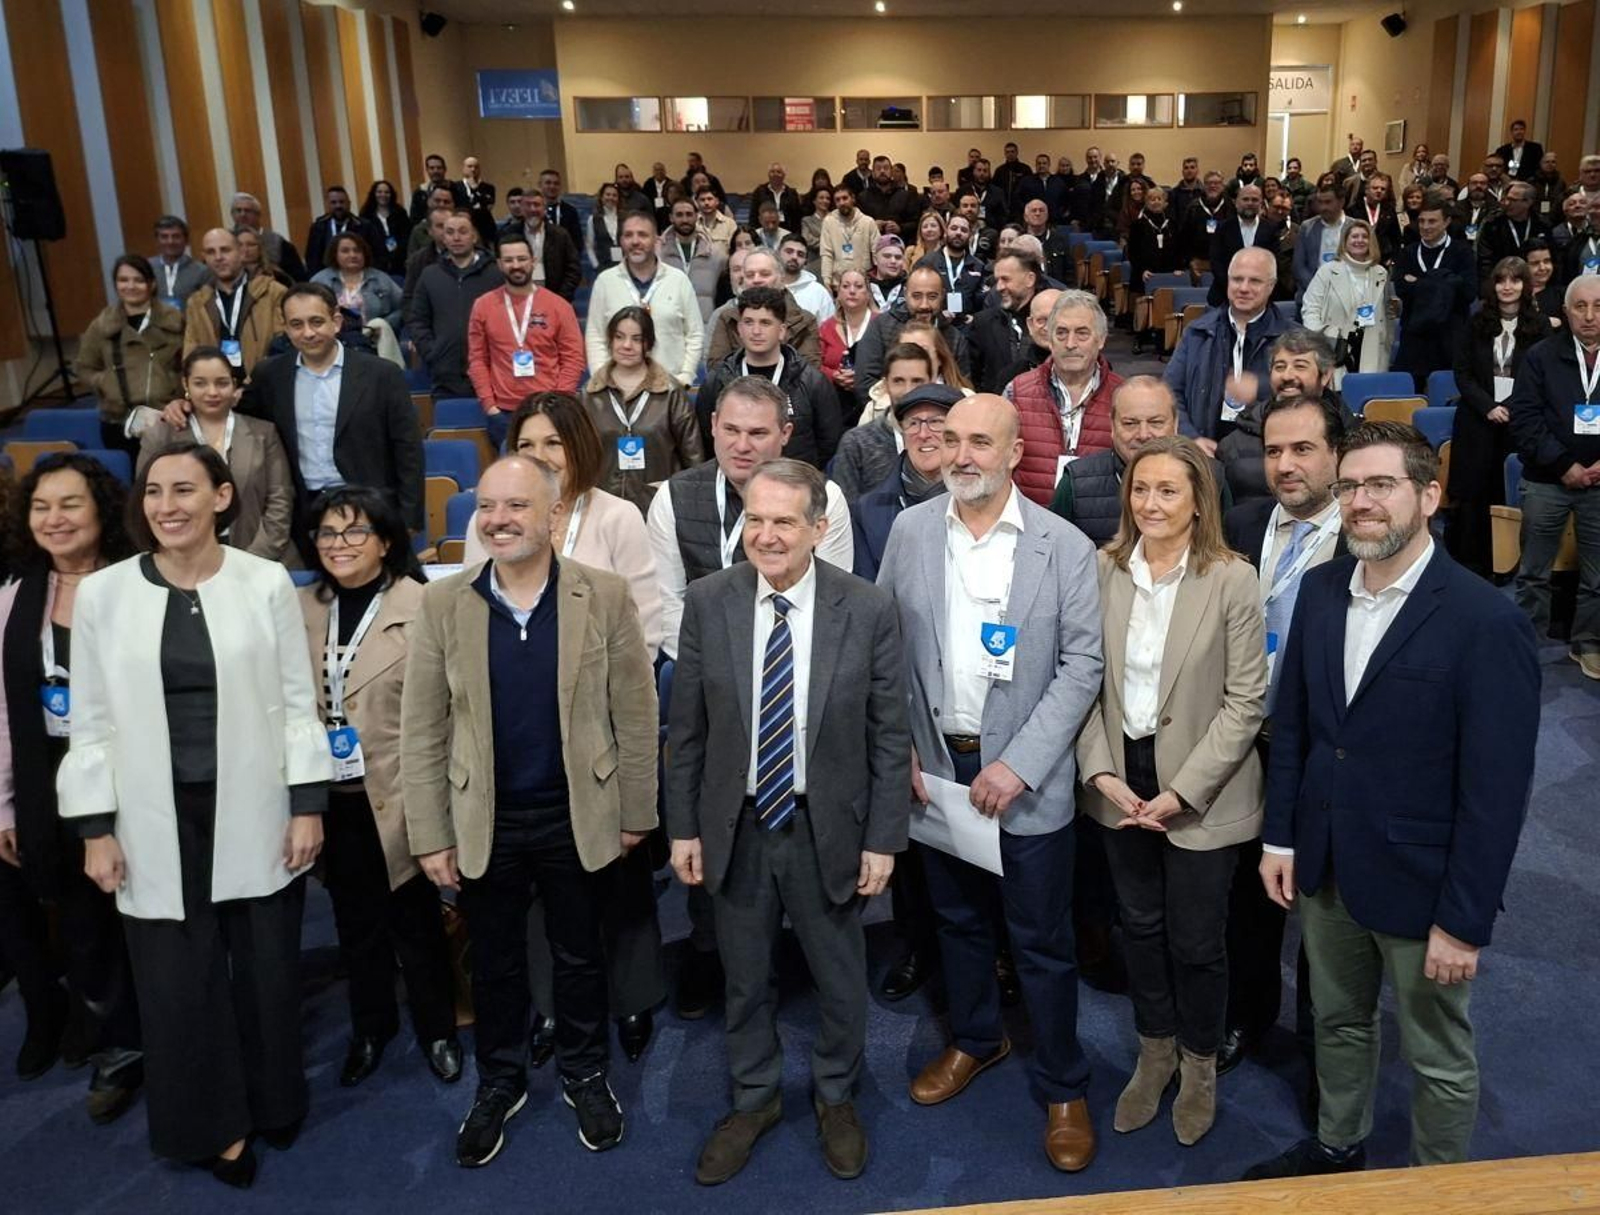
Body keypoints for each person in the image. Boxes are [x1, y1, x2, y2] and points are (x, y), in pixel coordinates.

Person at [1246, 421, 1540, 1179]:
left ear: (1430, 495)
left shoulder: (1486, 620)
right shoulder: (1318, 591)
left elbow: (1496, 792)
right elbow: (1300, 729)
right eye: (1349, 487)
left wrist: (1464, 921)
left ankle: (1439, 1186)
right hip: (1326, 864)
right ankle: (1338, 1145)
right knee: (1335, 1022)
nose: (1361, 503)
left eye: (1381, 485)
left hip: (1424, 886)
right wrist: (1282, 839)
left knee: (1436, 1050)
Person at [59, 443, 332, 1187]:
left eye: (184, 489)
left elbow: (297, 702)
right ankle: (214, 1124)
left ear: (220, 496)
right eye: (153, 491)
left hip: (256, 805)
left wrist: (307, 804)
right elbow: (88, 720)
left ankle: (275, 1095)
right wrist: (95, 826)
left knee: (269, 969)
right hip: (151, 817)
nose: (166, 505)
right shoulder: (105, 594)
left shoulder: (265, 581)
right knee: (180, 983)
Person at [401, 455, 656, 1166]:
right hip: (485, 819)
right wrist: (429, 832)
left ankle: (584, 1072)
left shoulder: (601, 595)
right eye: (487, 506)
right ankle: (501, 1079)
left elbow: (635, 711)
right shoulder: (443, 603)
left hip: (580, 812)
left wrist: (636, 808)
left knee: (579, 955)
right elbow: (421, 728)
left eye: (516, 505)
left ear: (552, 515)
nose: (498, 520)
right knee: (498, 963)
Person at [877, 393, 1103, 1173]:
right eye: (949, 440)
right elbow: (887, 648)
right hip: (937, 771)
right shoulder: (910, 531)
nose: (960, 454)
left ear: (1015, 452)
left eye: (980, 441)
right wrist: (900, 746)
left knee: (1041, 941)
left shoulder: (1064, 545)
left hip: (1025, 778)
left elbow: (1083, 665)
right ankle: (977, 1037)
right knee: (958, 922)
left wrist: (1021, 762)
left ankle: (1065, 1082)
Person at [666, 458, 908, 1185]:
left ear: (817, 528)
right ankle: (754, 1097)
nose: (767, 536)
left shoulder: (864, 607)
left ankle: (836, 1094)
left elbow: (889, 734)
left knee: (839, 978)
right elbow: (688, 732)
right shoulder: (708, 600)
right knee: (745, 979)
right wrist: (682, 828)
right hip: (734, 826)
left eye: (783, 521)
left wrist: (883, 838)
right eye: (756, 520)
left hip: (825, 825)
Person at [1076, 436, 1266, 1146]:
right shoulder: (1100, 568)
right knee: (1140, 928)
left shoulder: (1230, 578)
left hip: (1202, 787)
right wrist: (1099, 771)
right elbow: (1081, 680)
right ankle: (1154, 1048)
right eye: (1141, 489)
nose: (1150, 503)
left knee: (1195, 938)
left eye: (1168, 491)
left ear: (1198, 502)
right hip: (1119, 780)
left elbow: (1246, 701)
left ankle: (1199, 1061)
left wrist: (1183, 791)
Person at [297, 487, 460, 1088]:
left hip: (400, 793)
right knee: (353, 921)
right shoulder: (300, 607)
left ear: (386, 541)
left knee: (415, 922)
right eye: (326, 534)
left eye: (354, 532)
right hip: (331, 798)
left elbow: (449, 713)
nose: (339, 545)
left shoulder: (425, 605)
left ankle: (438, 1027)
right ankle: (371, 1026)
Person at [0, 455, 143, 1121]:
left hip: (139, 773)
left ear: (101, 509)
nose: (54, 519)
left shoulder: (138, 583)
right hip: (50, 782)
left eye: (70, 504)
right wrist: (4, 801)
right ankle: (117, 1045)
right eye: (41, 507)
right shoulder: (11, 597)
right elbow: (4, 711)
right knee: (85, 922)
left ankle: (171, 1029)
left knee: (151, 912)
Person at [1219, 393, 1346, 1081]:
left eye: (1302, 449)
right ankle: (1249, 1011)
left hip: (1325, 751)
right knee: (1247, 895)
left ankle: (1325, 1051)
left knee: (1321, 906)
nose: (1286, 464)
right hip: (1245, 740)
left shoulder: (1361, 540)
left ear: (1337, 455)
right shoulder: (1242, 520)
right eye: (1273, 450)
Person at [171, 285, 423, 547]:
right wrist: (183, 404)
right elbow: (227, 411)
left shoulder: (381, 374)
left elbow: (408, 449)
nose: (308, 333)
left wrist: (409, 517)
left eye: (316, 322)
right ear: (286, 328)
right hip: (303, 510)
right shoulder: (270, 375)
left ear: (336, 321)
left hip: (370, 503)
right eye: (297, 324)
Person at [1508, 275, 1600, 675]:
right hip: (1547, 481)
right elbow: (1525, 420)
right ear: (1565, 312)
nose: (1590, 316)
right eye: (1580, 306)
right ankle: (1525, 642)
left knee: (1598, 577)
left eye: (1598, 306)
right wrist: (1565, 465)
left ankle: (1588, 643)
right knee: (1533, 573)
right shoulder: (1540, 356)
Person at [140, 347, 294, 562]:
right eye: (200, 383)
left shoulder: (263, 433)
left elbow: (280, 500)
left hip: (258, 552)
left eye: (221, 383)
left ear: (234, 385)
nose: (212, 392)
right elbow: (147, 498)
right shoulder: (161, 435)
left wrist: (256, 559)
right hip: (183, 556)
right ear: (186, 384)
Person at [1448, 257, 1548, 577]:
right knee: (1476, 493)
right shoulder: (1476, 322)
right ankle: (1472, 564)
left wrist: (1514, 406)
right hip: (1477, 419)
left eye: (1515, 280)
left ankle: (1507, 564)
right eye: (1501, 280)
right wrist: (1488, 405)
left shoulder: (1540, 326)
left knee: (1507, 492)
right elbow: (1462, 373)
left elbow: (1541, 376)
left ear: (1525, 285)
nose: (1507, 286)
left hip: (1519, 420)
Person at [1051, 376, 1214, 546]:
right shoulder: (1075, 483)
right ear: (1112, 427)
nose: (1143, 434)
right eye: (1130, 423)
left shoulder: (1209, 477)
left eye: (1156, 422)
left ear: (1176, 424)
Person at [696, 286, 840, 469]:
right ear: (739, 328)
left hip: (794, 485)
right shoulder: (718, 381)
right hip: (735, 485)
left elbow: (829, 442)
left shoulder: (812, 381)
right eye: (748, 322)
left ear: (781, 331)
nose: (756, 331)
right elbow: (708, 439)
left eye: (765, 323)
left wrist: (801, 477)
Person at [580, 306, 705, 513]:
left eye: (636, 339)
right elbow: (579, 457)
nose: (627, 345)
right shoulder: (590, 395)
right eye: (619, 337)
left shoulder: (671, 392)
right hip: (603, 507)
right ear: (610, 341)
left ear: (649, 344)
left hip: (658, 507)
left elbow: (693, 457)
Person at [465, 235, 585, 448]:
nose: (516, 265)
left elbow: (573, 359)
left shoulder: (558, 306)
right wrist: (490, 407)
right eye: (509, 260)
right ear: (500, 264)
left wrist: (557, 403)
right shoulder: (483, 306)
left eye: (521, 259)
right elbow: (477, 360)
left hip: (548, 408)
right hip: (503, 413)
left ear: (534, 260)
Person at [1001, 288, 1119, 505]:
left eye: (1082, 333)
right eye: (1061, 333)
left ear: (1101, 339)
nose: (1070, 343)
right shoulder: (1016, 391)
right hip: (1032, 526)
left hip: (1104, 530)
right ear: (1050, 339)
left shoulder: (1124, 397)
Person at [1165, 247, 1289, 452]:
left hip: (1265, 458)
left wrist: (1261, 387)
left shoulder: (1294, 339)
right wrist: (1191, 439)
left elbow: (1308, 397)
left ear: (1271, 286)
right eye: (1237, 279)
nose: (1244, 288)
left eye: (1255, 281)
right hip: (1204, 453)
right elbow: (1170, 392)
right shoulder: (1197, 333)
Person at [74, 254, 185, 455]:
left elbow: (188, 363)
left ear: (151, 284)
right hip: (119, 421)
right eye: (123, 280)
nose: (130, 286)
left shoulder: (175, 321)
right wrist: (105, 382)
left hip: (167, 417)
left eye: (138, 280)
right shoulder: (102, 325)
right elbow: (84, 367)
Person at [851, 383, 959, 580]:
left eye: (936, 422)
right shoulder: (868, 510)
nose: (923, 434)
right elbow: (867, 591)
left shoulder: (981, 501)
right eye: (913, 423)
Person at [585, 212, 704, 388]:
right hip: (618, 389)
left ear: (656, 241)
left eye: (642, 234)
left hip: (669, 388)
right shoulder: (605, 281)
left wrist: (685, 376)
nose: (635, 241)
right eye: (628, 235)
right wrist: (601, 377)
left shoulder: (678, 280)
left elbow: (694, 333)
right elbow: (595, 335)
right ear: (621, 241)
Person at [408, 211, 506, 401]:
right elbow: (417, 320)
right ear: (443, 238)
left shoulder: (495, 274)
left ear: (474, 236)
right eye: (450, 232)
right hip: (445, 372)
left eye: (463, 231)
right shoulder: (430, 275)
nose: (456, 237)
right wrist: (432, 351)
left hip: (491, 371)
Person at [830, 341, 935, 502]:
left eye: (917, 381)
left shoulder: (946, 439)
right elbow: (845, 511)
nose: (908, 391)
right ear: (885, 385)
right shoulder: (856, 443)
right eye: (898, 381)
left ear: (931, 383)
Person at [1394, 192, 1477, 391]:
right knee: (1410, 398)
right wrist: (1446, 282)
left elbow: (1468, 292)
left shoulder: (1462, 252)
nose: (1425, 227)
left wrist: (1421, 283)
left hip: (1450, 338)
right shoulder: (1409, 252)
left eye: (1432, 221)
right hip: (1415, 340)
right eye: (1422, 221)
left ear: (1447, 221)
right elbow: (1401, 288)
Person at [1301, 219, 1397, 388]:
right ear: (1345, 241)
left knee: (1367, 401)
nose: (1359, 240)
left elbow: (1388, 313)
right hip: (1337, 346)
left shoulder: (1380, 272)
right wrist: (1325, 335)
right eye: (1354, 236)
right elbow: (1310, 308)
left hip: (1372, 346)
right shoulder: (1328, 271)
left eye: (1364, 236)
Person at [854, 265, 973, 397]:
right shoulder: (881, 327)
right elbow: (865, 382)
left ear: (942, 296)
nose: (924, 305)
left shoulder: (954, 337)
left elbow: (961, 382)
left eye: (932, 297)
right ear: (905, 294)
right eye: (916, 296)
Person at [182, 228, 286, 378]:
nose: (218, 257)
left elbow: (281, 348)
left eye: (225, 250)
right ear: (204, 257)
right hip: (217, 391)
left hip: (262, 387)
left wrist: (251, 386)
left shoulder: (273, 293)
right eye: (211, 252)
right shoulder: (196, 303)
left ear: (240, 252)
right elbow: (190, 354)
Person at [704, 248, 822, 369]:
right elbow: (717, 368)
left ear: (781, 277)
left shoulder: (805, 321)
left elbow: (810, 372)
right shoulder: (727, 318)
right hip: (738, 386)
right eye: (750, 275)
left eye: (764, 274)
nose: (756, 280)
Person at [310, 232, 403, 334]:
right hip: (332, 338)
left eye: (357, 250)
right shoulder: (320, 280)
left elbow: (404, 307)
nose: (352, 255)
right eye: (345, 251)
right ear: (334, 254)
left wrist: (384, 324)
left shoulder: (380, 279)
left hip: (374, 339)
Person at [1207, 185, 1282, 308]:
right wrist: (1235, 288)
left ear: (1261, 203)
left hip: (1260, 297)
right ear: (1236, 202)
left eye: (1254, 200)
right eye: (1245, 199)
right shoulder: (1223, 228)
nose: (1250, 203)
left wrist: (1255, 288)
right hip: (1223, 296)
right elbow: (1216, 262)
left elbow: (1274, 262)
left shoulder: (1271, 229)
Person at [819, 268, 876, 425]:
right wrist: (834, 375)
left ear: (868, 293)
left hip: (873, 405)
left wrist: (862, 376)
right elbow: (815, 363)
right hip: (835, 406)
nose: (852, 291)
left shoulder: (882, 325)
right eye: (846, 286)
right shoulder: (826, 327)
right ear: (838, 292)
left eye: (858, 286)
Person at [659, 198, 725, 323]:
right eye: (679, 215)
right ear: (671, 218)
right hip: (669, 325)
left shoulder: (716, 254)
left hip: (704, 324)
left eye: (689, 214)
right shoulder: (658, 253)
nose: (685, 220)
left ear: (697, 216)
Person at [1475, 182, 1550, 284]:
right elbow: (1485, 261)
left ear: (1528, 202)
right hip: (1501, 282)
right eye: (1506, 199)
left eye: (1513, 200)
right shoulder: (1493, 224)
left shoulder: (1542, 225)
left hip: (1534, 282)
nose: (1506, 203)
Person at [304, 186, 381, 279]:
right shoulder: (318, 227)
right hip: (327, 278)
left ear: (349, 203)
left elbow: (377, 255)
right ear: (327, 205)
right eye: (333, 202)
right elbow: (312, 259)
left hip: (359, 276)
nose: (338, 206)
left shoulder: (364, 226)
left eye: (342, 202)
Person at [229, 193, 308, 283]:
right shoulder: (224, 241)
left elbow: (298, 279)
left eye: (248, 211)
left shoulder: (278, 243)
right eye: (238, 210)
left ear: (258, 215)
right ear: (232, 214)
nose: (242, 214)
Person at [1293, 187, 1352, 303]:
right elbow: (1298, 266)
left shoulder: (1356, 227)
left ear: (1341, 202)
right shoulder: (1307, 227)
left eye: (1328, 202)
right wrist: (1318, 288)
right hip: (1312, 295)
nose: (1323, 207)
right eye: (1320, 202)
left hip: (1347, 296)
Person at [819, 182, 880, 290]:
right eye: (837, 200)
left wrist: (879, 278)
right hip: (838, 284)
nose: (842, 202)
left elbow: (877, 252)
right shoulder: (829, 222)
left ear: (853, 199)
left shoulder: (868, 222)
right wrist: (826, 281)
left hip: (864, 283)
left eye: (845, 198)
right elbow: (826, 253)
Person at [151, 216, 211, 309]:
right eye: (164, 237)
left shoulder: (202, 271)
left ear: (186, 240)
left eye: (176, 236)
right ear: (157, 240)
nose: (170, 241)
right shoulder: (146, 268)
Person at [778, 233, 835, 325]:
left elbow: (829, 331)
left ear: (805, 261)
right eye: (789, 251)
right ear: (778, 253)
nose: (794, 257)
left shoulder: (819, 292)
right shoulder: (766, 284)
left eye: (800, 254)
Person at [360, 179, 412, 276]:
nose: (383, 195)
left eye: (387, 192)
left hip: (399, 261)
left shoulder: (400, 212)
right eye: (379, 192)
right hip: (376, 262)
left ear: (391, 194)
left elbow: (407, 234)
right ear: (374, 194)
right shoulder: (366, 214)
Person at [409, 154, 467, 222]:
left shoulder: (457, 189)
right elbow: (414, 219)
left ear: (445, 169)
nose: (435, 171)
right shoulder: (420, 193)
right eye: (432, 168)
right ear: (427, 170)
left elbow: (464, 212)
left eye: (439, 168)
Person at [588, 181, 624, 273]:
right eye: (608, 194)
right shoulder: (593, 219)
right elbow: (589, 246)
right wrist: (596, 266)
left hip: (624, 266)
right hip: (603, 267)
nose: (611, 198)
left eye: (614, 195)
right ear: (601, 197)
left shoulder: (625, 218)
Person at [867, 235, 908, 312]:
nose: (893, 261)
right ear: (875, 260)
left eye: (898, 257)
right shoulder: (863, 287)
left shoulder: (910, 287)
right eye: (887, 256)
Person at [801, 186, 833, 277]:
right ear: (814, 201)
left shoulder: (835, 219)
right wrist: (829, 242)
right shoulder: (806, 221)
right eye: (821, 198)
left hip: (833, 262)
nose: (825, 201)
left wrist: (818, 239)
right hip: (813, 262)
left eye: (828, 198)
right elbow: (807, 240)